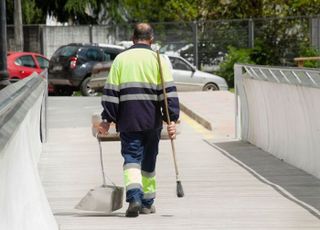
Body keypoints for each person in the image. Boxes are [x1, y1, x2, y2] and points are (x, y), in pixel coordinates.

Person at [98, 23, 180, 218]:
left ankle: (134, 197)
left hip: (128, 119)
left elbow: (111, 93)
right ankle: (146, 203)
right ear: (151, 39)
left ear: (133, 38)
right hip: (152, 121)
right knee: (149, 160)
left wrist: (106, 119)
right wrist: (173, 119)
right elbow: (168, 93)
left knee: (131, 158)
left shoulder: (120, 59)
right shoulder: (158, 60)